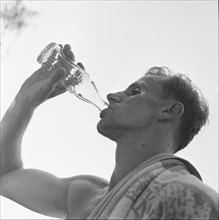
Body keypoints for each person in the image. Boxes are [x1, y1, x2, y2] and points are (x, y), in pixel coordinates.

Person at [0, 44, 218, 220]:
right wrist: (25, 100)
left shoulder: (189, 199)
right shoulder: (83, 193)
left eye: (135, 91)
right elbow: (5, 176)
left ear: (168, 110)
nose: (112, 95)